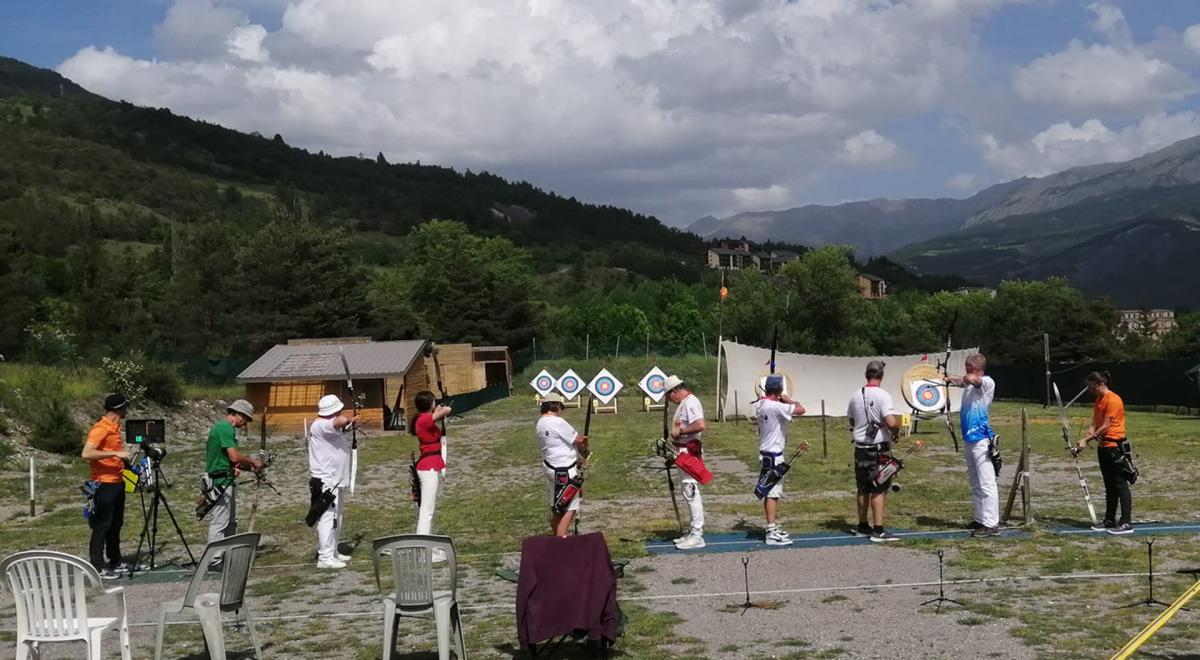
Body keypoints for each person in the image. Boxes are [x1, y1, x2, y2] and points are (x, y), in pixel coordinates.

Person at [945, 353, 1000, 537]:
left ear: (975, 368)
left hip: (982, 439)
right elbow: (963, 381)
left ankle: (991, 523)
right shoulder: (969, 385)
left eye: (968, 368)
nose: (966, 371)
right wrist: (948, 379)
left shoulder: (987, 382)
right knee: (976, 483)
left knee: (986, 483)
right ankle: (979, 519)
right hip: (970, 439)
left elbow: (972, 380)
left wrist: (964, 377)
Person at [846, 361, 901, 543]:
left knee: (863, 488)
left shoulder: (855, 395)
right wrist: (896, 433)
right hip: (878, 449)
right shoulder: (883, 395)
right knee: (879, 488)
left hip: (860, 448)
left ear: (866, 375)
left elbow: (852, 421)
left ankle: (862, 526)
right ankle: (878, 530)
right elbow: (891, 422)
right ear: (881, 376)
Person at [81, 393, 133, 579]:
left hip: (117, 482)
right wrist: (115, 453)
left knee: (115, 524)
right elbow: (87, 453)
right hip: (103, 483)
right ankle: (97, 564)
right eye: (125, 407)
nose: (127, 410)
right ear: (119, 409)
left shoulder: (115, 428)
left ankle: (115, 559)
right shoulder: (101, 428)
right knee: (102, 525)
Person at [1077, 371, 1134, 535]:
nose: (1090, 391)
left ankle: (1126, 523)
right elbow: (1095, 423)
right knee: (1109, 485)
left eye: (1092, 387)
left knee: (1120, 484)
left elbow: (1107, 425)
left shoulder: (1113, 400)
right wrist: (1084, 439)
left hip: (1115, 447)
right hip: (1103, 447)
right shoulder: (1098, 401)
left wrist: (1087, 440)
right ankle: (1110, 520)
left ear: (1100, 384)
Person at [204, 399, 263, 546]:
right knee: (220, 522)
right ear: (239, 415)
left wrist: (249, 468)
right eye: (246, 419)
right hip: (220, 481)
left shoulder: (225, 429)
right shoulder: (225, 428)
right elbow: (234, 456)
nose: (245, 424)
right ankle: (215, 560)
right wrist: (252, 461)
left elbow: (230, 461)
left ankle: (227, 553)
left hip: (226, 479)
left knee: (231, 522)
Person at [754, 374, 806, 545]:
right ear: (778, 391)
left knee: (770, 490)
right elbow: (801, 409)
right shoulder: (776, 407)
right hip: (774, 456)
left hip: (767, 453)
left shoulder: (762, 404)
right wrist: (788, 400)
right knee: (772, 493)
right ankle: (771, 531)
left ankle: (773, 527)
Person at [308, 394, 357, 568]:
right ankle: (325, 557)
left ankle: (333, 551)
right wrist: (348, 418)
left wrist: (350, 425)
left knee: (337, 515)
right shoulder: (321, 425)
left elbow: (340, 426)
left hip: (335, 478)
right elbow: (340, 421)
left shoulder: (326, 427)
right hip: (326, 480)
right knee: (327, 516)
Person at [536, 392, 588, 537]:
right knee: (569, 506)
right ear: (557, 406)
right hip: (563, 470)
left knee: (558, 506)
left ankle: (556, 538)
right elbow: (578, 440)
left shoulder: (541, 422)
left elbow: (558, 445)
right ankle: (560, 541)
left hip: (551, 467)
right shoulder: (557, 422)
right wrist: (584, 446)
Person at [665, 375, 707, 550]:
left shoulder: (690, 402)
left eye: (669, 395)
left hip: (689, 451)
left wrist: (680, 431)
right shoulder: (685, 403)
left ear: (675, 391)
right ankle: (693, 531)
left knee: (691, 491)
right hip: (683, 451)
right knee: (687, 491)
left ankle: (697, 534)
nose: (669, 399)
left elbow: (700, 425)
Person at [410, 391, 451, 558]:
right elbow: (446, 411)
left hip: (430, 465)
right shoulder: (423, 419)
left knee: (429, 510)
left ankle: (428, 546)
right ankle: (423, 550)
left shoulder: (425, 418)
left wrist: (436, 411)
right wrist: (441, 409)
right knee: (426, 511)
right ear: (430, 404)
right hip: (428, 468)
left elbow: (437, 415)